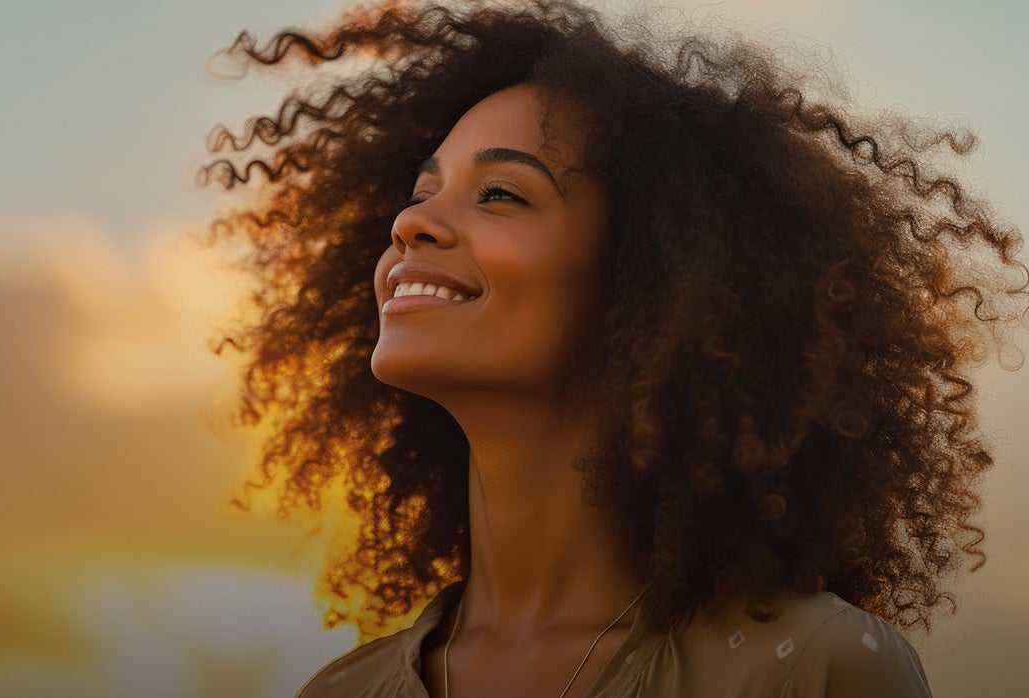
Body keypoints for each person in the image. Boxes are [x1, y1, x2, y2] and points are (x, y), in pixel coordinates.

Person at [200, 1, 1027, 696]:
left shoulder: (812, 667)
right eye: (422, 193)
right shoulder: (340, 692)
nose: (408, 223)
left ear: (654, 276)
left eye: (500, 193)